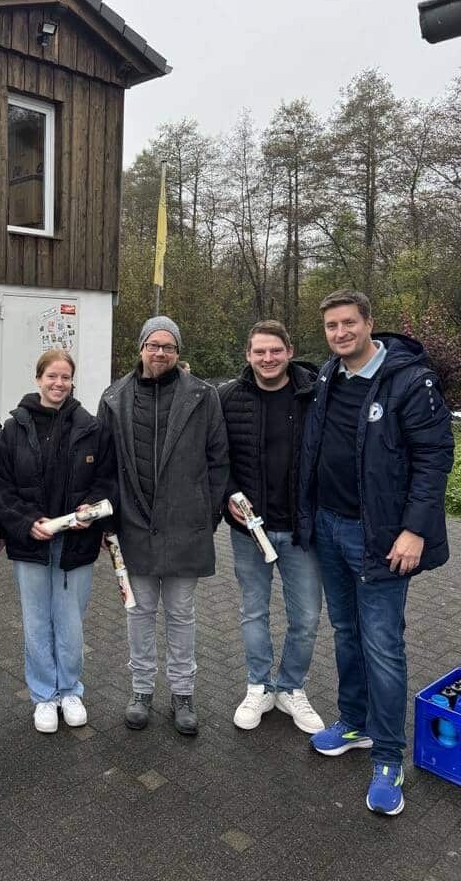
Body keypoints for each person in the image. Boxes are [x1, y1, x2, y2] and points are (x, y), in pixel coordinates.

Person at [298, 289, 455, 816]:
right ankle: (355, 722)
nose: (339, 334)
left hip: (382, 538)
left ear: (369, 323)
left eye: (348, 324)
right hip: (329, 527)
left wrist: (413, 530)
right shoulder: (328, 375)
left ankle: (389, 759)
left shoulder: (410, 380)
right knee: (345, 633)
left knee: (383, 644)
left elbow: (435, 457)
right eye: (331, 327)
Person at [98, 316, 229, 736]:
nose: (160, 353)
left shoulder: (202, 396)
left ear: (178, 352)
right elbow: (102, 465)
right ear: (140, 348)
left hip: (185, 526)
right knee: (138, 612)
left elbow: (217, 460)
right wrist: (107, 520)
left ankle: (183, 693)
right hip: (132, 525)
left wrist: (206, 516)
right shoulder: (114, 397)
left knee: (181, 613)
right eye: (153, 345)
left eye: (168, 346)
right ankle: (140, 690)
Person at [0, 348, 116, 733]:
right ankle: (44, 696)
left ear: (72, 380)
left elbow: (107, 480)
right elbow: (0, 488)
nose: (58, 383)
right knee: (37, 621)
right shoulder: (13, 429)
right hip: (32, 543)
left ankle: (70, 690)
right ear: (38, 378)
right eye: (51, 376)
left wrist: (88, 510)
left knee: (71, 621)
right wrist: (28, 523)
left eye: (65, 377)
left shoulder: (92, 428)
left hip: (76, 543)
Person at [219, 320, 323, 734]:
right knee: (253, 612)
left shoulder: (315, 394)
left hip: (301, 530)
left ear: (289, 351)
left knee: (308, 616)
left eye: (275, 351)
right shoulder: (228, 398)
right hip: (249, 531)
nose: (267, 359)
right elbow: (217, 457)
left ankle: (291, 688)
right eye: (259, 352)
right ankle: (259, 685)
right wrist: (228, 495)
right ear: (248, 355)